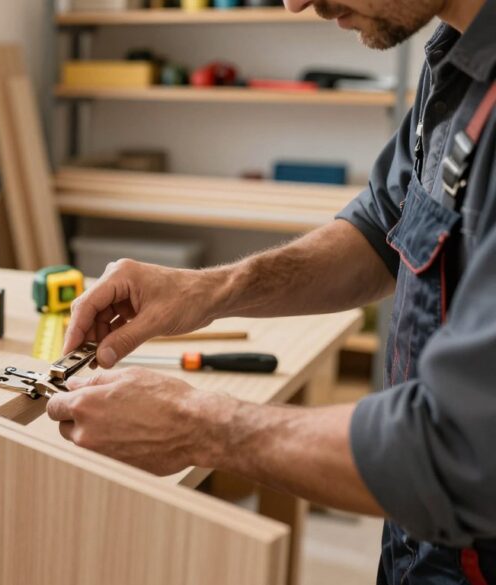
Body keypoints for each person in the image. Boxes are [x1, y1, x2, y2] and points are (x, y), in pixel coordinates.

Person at [46, 0, 496, 581]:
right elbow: (384, 227)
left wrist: (198, 425)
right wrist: (209, 288)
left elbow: (461, 449)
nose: (294, 2)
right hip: (419, 547)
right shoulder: (454, 56)